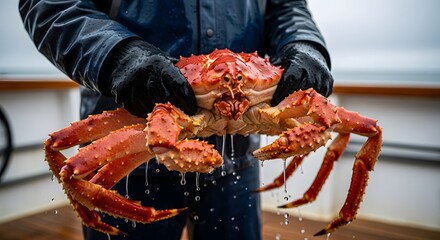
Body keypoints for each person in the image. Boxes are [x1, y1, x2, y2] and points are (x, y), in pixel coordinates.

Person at [19, 1, 333, 239]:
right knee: (73, 169)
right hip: (138, 151)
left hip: (239, 159)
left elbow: (287, 7)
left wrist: (307, 45)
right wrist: (118, 56)